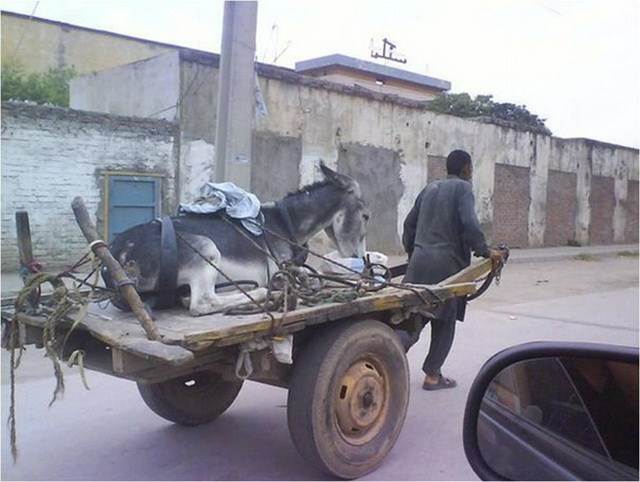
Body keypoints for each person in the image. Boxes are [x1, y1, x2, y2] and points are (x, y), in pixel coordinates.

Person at [402, 149, 503, 391]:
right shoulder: (463, 189)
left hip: (419, 262)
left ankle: (385, 354)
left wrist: (414, 253)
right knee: (445, 320)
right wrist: (485, 251)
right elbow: (469, 223)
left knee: (412, 317)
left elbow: (408, 225)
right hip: (447, 266)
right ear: (466, 168)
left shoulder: (430, 188)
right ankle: (433, 376)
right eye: (471, 168)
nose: (471, 172)